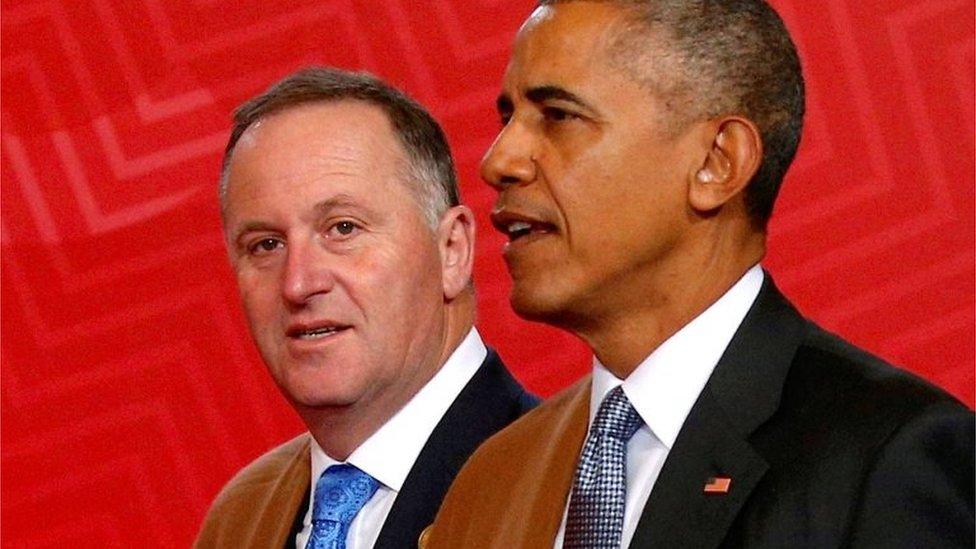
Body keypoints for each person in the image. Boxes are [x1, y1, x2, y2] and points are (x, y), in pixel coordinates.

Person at [427, 1, 974, 547]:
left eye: (558, 115)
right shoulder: (493, 476)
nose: (499, 161)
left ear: (718, 161)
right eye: (508, 119)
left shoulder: (887, 457)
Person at [195, 67, 537, 549]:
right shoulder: (241, 518)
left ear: (452, 250)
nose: (298, 283)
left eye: (343, 229)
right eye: (266, 244)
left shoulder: (565, 486)